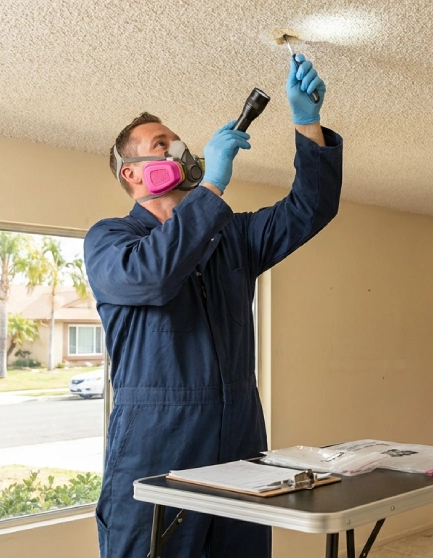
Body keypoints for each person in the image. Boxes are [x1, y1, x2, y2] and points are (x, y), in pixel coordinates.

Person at [84, 54, 341, 558]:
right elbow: (154, 277)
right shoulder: (111, 241)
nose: (178, 150)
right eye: (163, 145)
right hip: (156, 442)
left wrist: (306, 124)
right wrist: (213, 186)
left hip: (240, 433)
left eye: (179, 142)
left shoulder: (231, 237)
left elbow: (311, 209)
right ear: (133, 173)